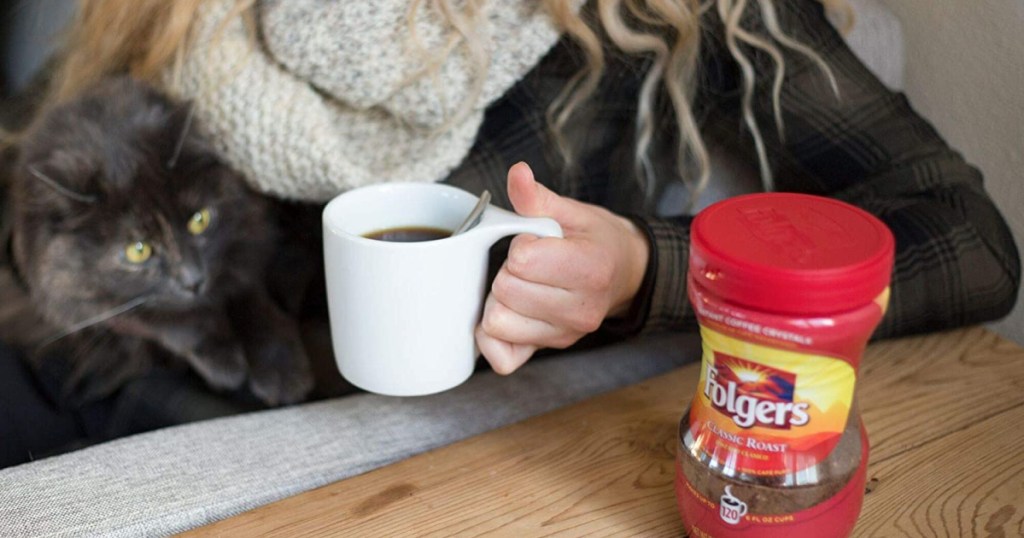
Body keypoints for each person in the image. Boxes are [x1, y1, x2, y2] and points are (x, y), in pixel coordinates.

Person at [2, 0, 1020, 462]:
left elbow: (967, 240)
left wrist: (643, 269)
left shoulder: (677, 13)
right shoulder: (176, 12)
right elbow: (42, 181)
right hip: (103, 388)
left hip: (375, 465)